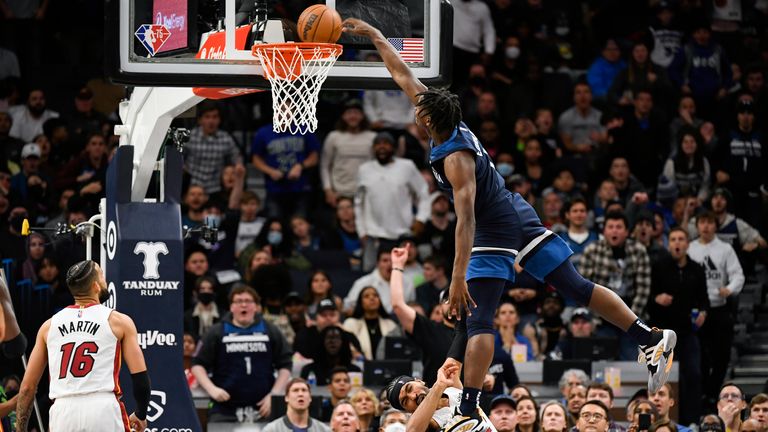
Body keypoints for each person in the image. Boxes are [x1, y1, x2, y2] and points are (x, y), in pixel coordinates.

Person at [342, 18, 676, 426]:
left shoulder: (456, 159)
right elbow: (402, 74)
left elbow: (465, 222)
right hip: (514, 209)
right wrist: (375, 36)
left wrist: (457, 278)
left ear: (427, 120)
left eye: (418, 110)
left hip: (492, 224)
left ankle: (467, 409)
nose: (414, 108)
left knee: (478, 318)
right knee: (575, 286)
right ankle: (650, 338)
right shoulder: (444, 116)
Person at [15, 260, 150, 431]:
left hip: (63, 410)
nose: (105, 280)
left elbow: (27, 388)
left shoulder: (49, 326)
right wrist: (141, 414)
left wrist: (20, 429)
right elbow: (141, 380)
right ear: (95, 286)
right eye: (102, 275)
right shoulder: (118, 321)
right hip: (102, 408)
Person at [191, 285, 292, 422]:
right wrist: (212, 389)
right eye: (238, 301)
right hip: (224, 409)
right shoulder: (216, 331)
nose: (243, 305)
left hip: (263, 408)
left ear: (256, 306)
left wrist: (274, 395)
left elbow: (286, 364)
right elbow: (197, 364)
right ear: (231, 307)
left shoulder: (270, 330)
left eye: (248, 301)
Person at [687, 211, 744, 401]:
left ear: (715, 226)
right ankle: (704, 393)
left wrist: (729, 289)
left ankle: (712, 392)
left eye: (709, 222)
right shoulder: (690, 248)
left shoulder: (725, 249)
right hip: (697, 310)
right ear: (697, 226)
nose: (705, 226)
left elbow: (738, 275)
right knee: (701, 354)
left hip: (719, 307)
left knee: (722, 355)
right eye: (702, 222)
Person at [343, 286, 401, 360]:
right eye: (366, 296)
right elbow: (348, 347)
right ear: (360, 302)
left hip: (387, 365)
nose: (372, 298)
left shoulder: (390, 324)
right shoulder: (351, 324)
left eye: (375, 295)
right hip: (360, 365)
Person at [263, 378, 331, 432]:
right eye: (295, 390)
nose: (300, 394)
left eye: (304, 390)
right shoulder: (272, 429)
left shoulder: (323, 430)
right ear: (287, 398)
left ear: (310, 398)